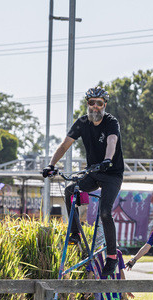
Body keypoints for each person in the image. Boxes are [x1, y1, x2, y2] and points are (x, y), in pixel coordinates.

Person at [42, 86, 124, 276]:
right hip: (94, 172)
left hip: (111, 174)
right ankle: (75, 233)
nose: (95, 107)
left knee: (105, 212)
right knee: (70, 191)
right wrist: (51, 165)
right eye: (91, 103)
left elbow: (112, 142)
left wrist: (107, 160)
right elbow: (65, 145)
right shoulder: (82, 123)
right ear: (87, 104)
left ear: (104, 105)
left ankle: (112, 257)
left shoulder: (111, 122)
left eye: (99, 103)